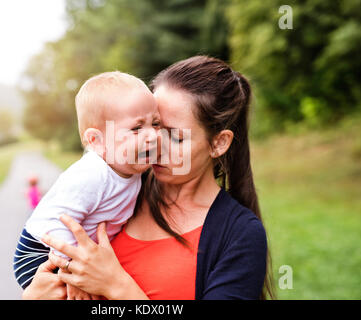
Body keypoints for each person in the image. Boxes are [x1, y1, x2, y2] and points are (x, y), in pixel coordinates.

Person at [15, 55, 275, 300]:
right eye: (153, 126)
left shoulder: (239, 235)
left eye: (174, 135)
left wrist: (117, 286)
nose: (153, 143)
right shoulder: (121, 190)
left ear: (218, 143)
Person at [18, 71, 160, 299]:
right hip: (40, 251)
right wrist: (69, 270)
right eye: (136, 128)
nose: (152, 135)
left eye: (155, 123)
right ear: (96, 140)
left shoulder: (133, 169)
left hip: (72, 251)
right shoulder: (92, 175)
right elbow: (60, 224)